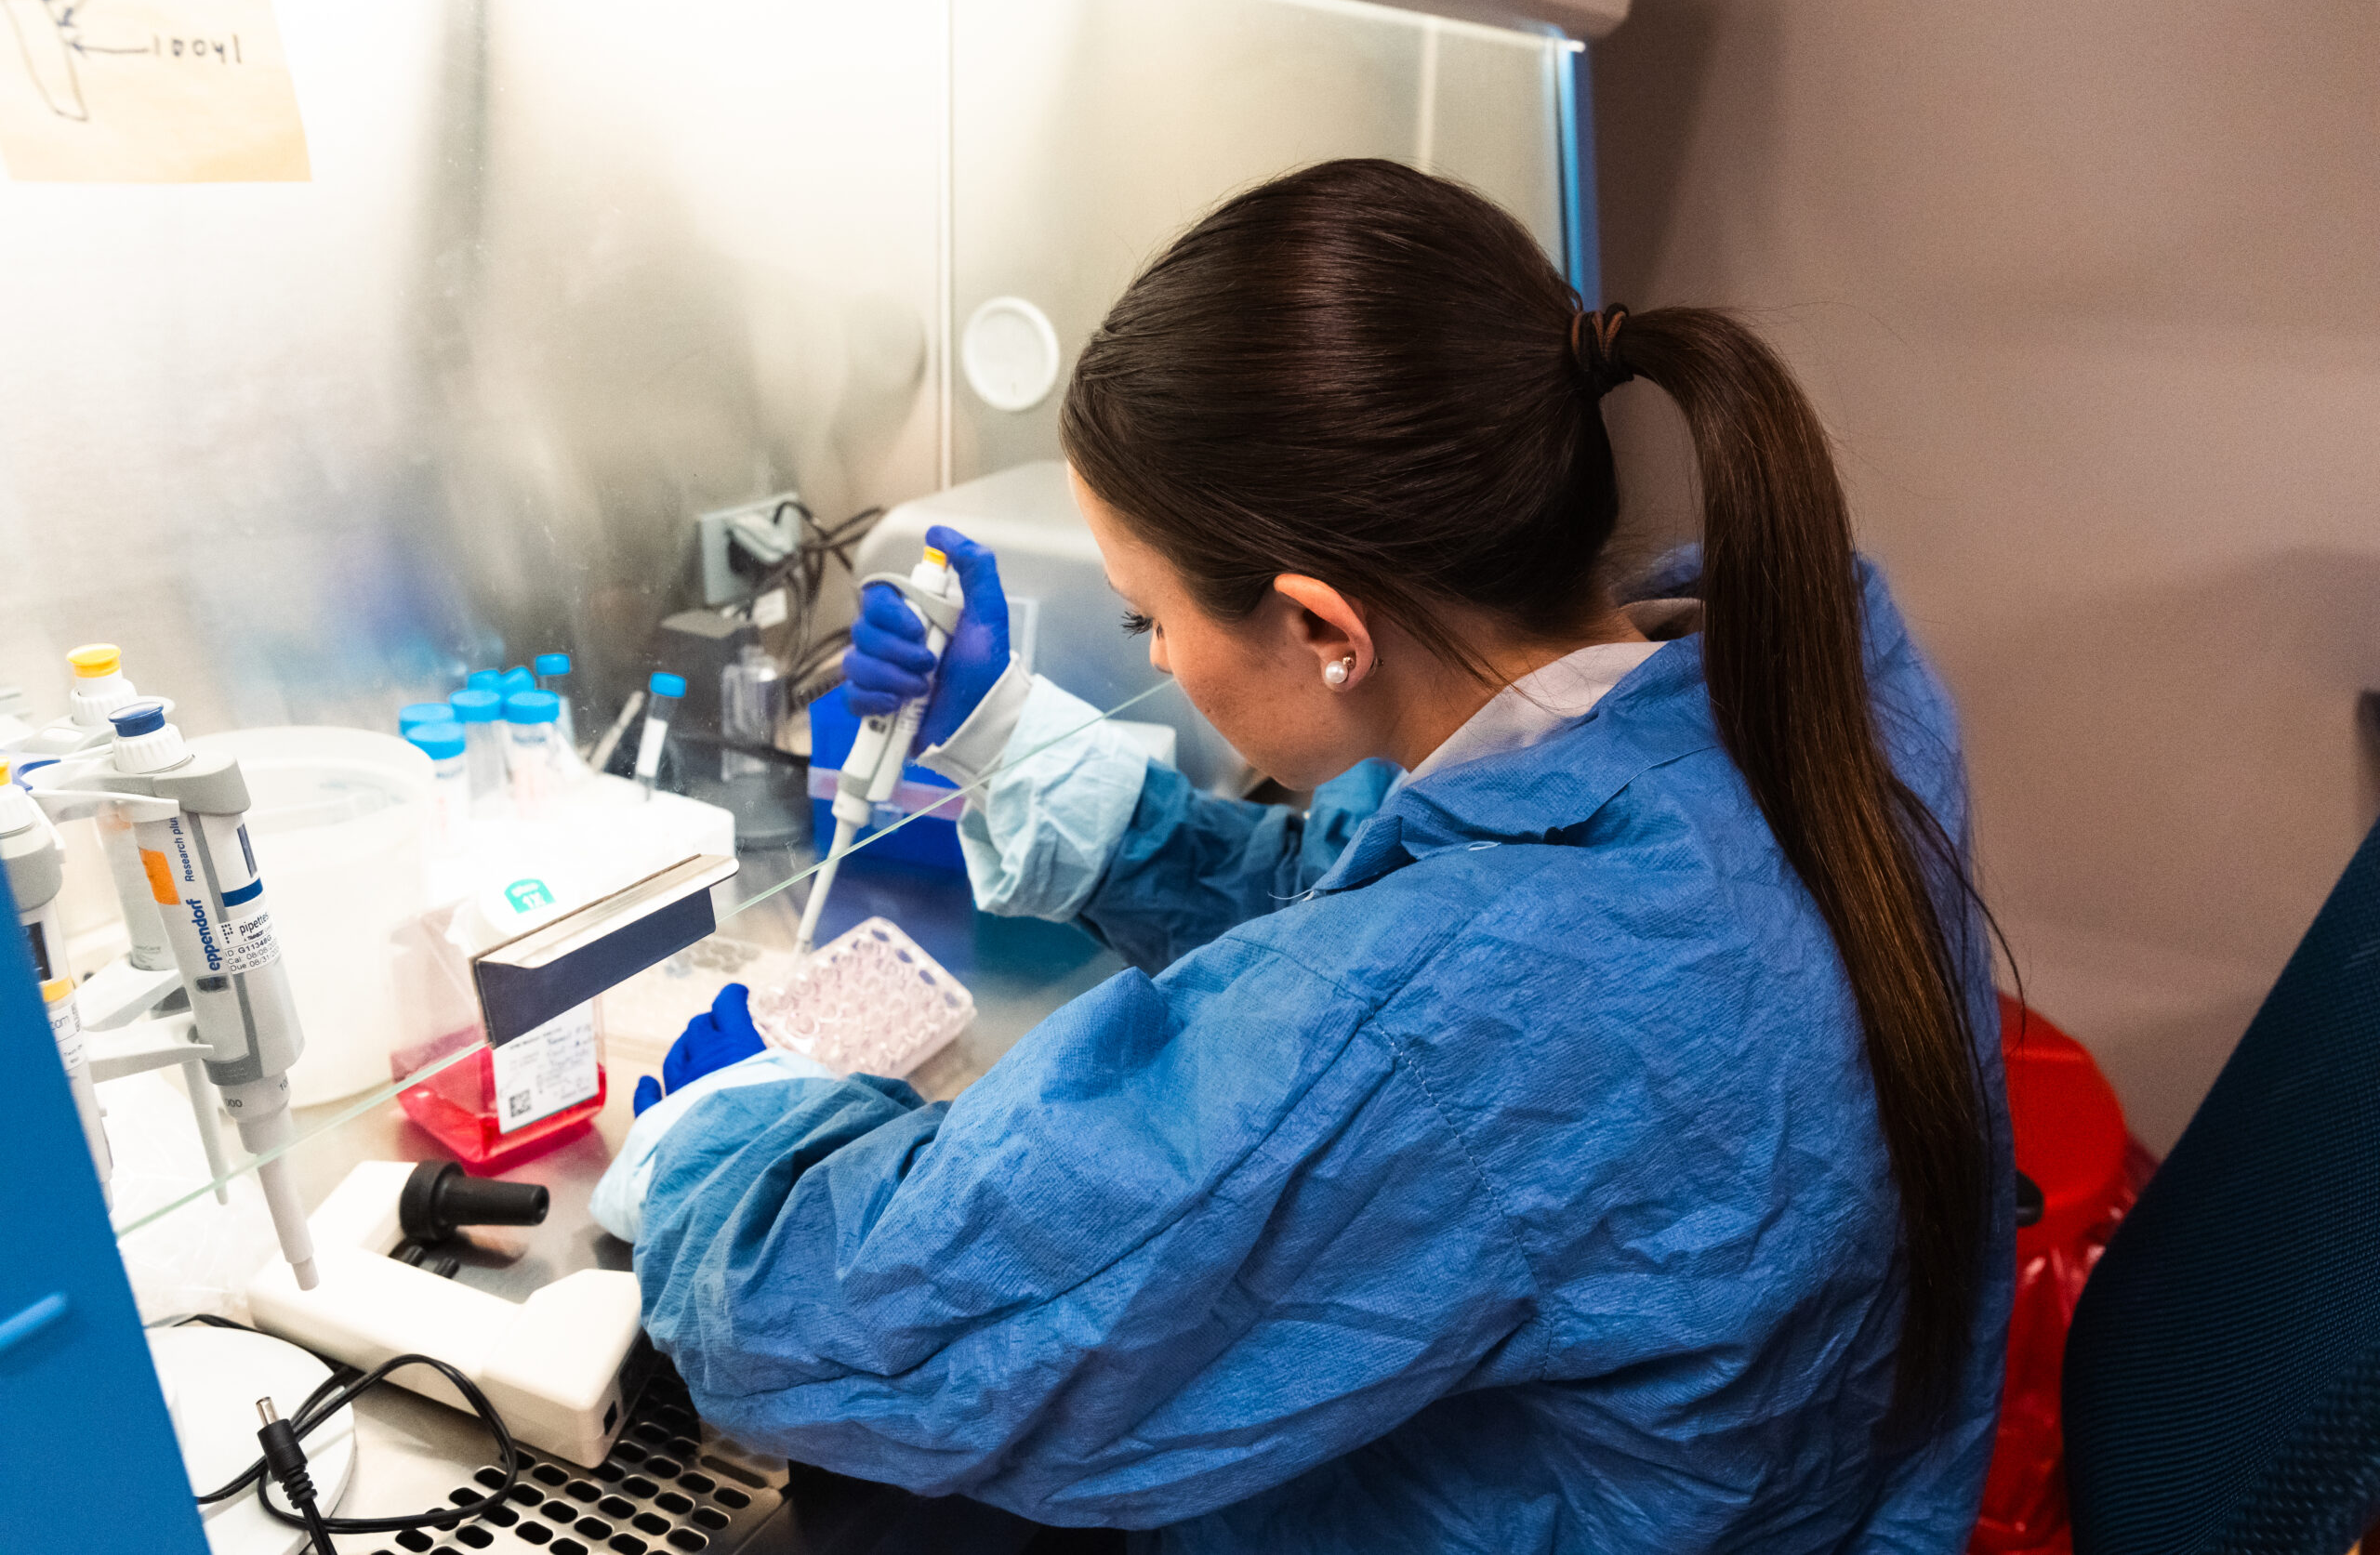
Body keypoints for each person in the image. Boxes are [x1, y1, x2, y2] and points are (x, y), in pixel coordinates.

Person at [590, 158, 2013, 1553]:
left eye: (1148, 620)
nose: (1150, 651)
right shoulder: (1796, 684)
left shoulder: (1470, 1010)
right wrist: (1018, 741)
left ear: (1327, 630)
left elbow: (875, 1333)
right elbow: (1384, 920)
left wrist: (724, 1141)